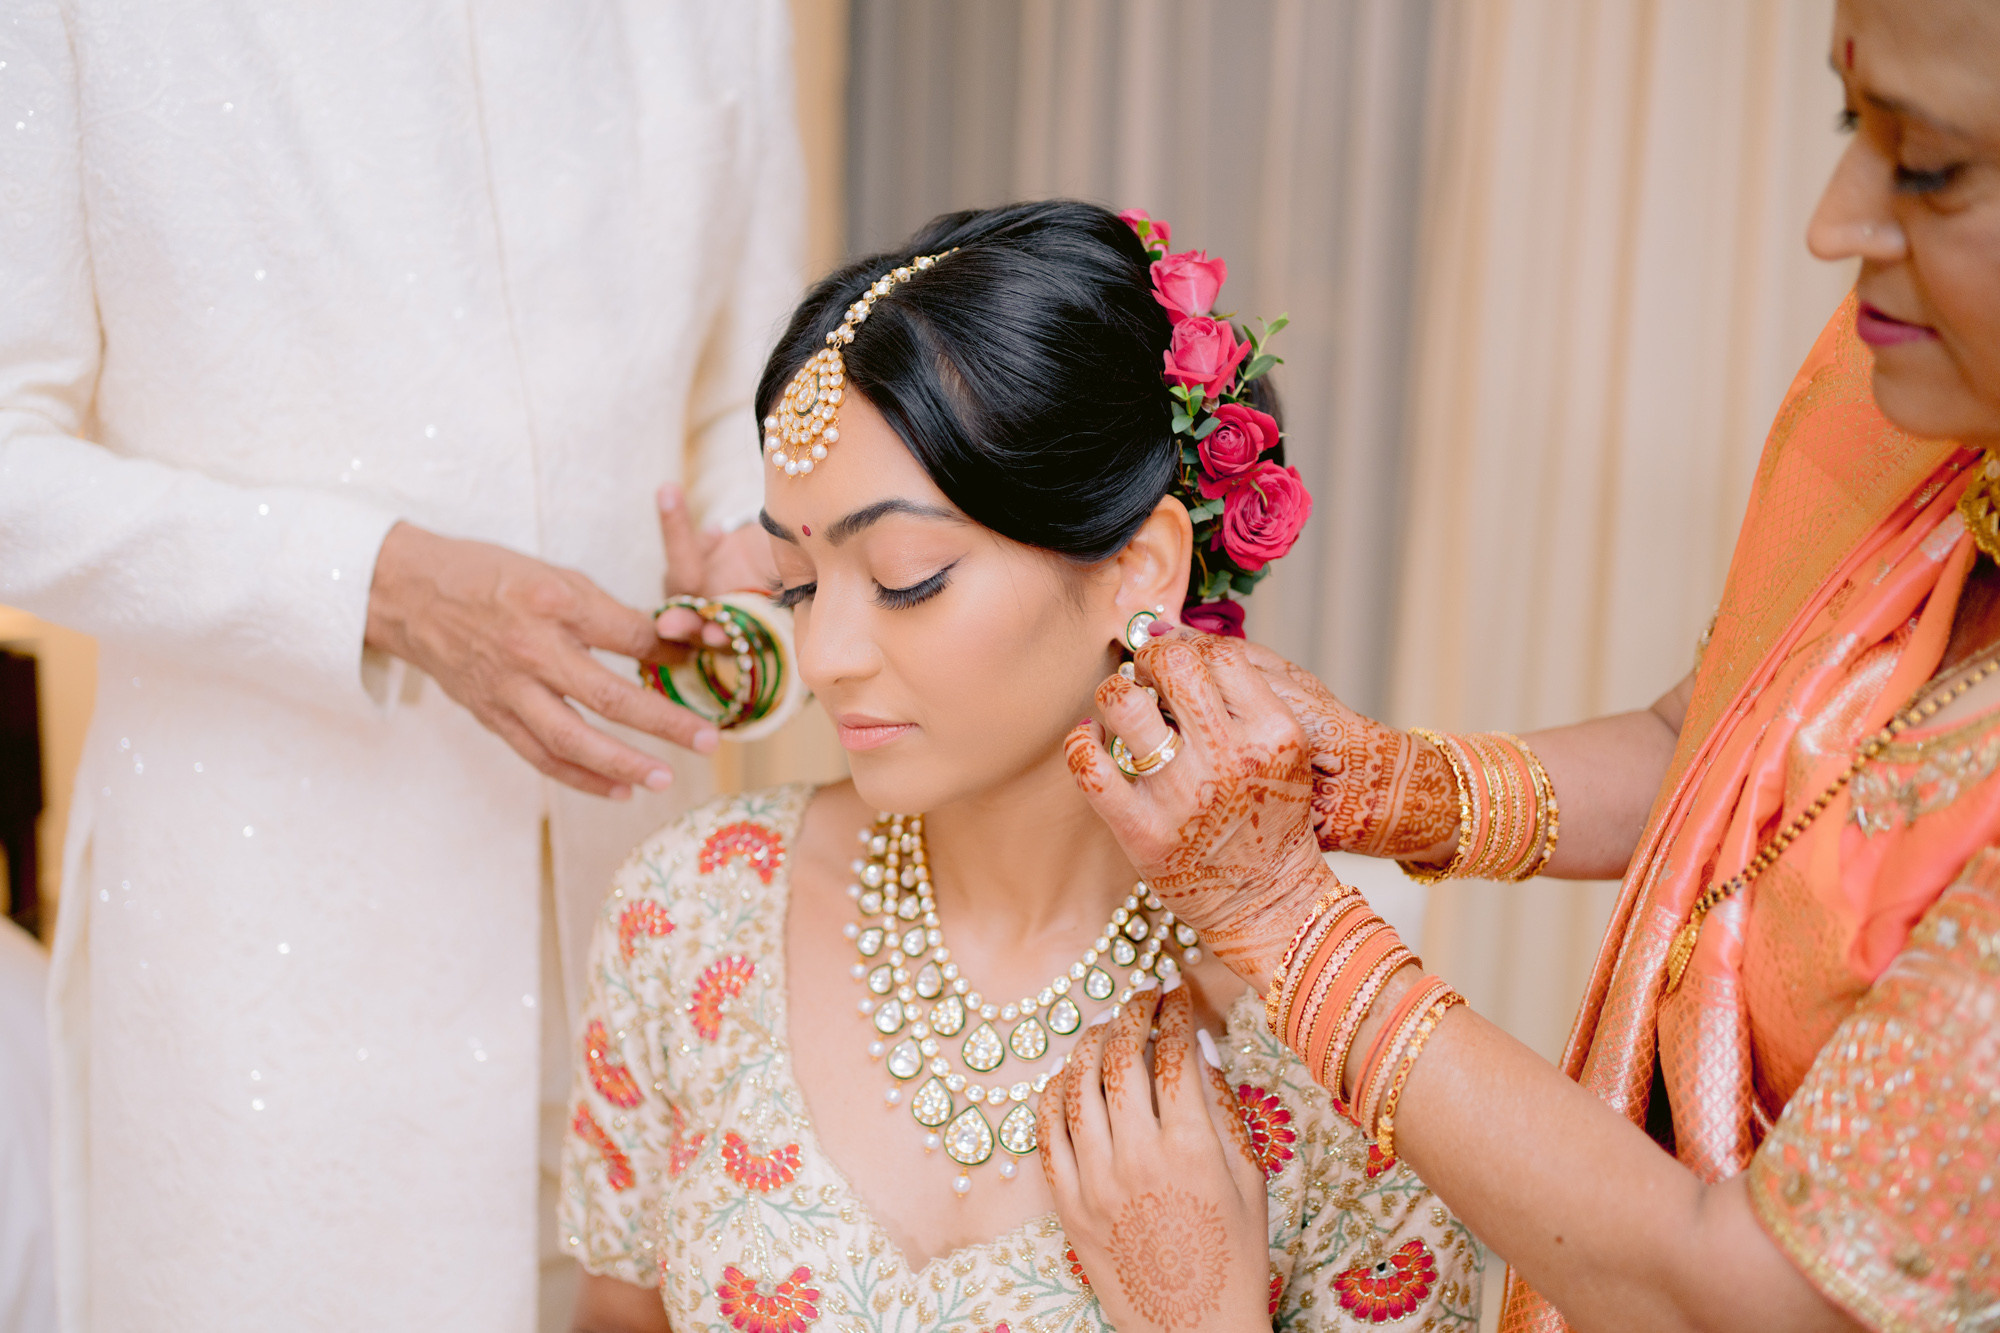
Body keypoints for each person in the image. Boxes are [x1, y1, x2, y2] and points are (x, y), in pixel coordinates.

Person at [1058, 2, 2000, 1331]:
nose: (1833, 225)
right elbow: (1720, 736)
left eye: (1932, 166)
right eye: (1860, 122)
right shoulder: (1913, 402)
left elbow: (1756, 1296)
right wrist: (1401, 784)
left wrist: (1289, 926)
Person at [0, 5, 800, 1329]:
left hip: (639, 931)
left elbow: (752, 411)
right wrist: (376, 583)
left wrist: (758, 606)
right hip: (261, 963)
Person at [558, 202, 1482, 1333]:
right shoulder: (695, 909)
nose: (826, 654)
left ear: (1136, 568)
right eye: (800, 583)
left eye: (903, 576)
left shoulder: (1324, 1039)